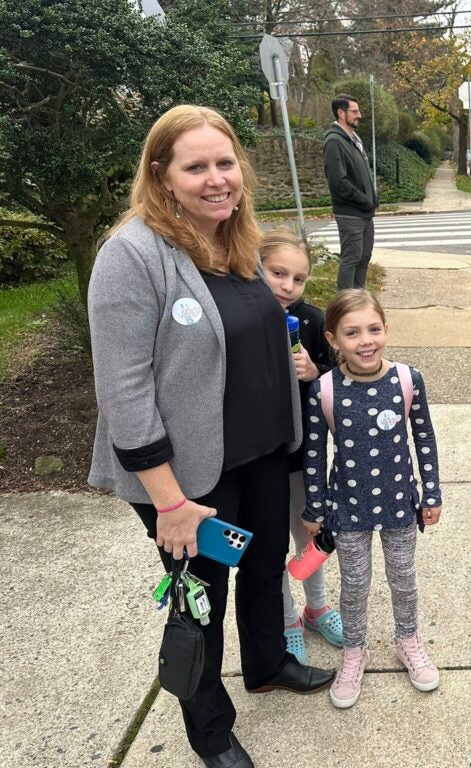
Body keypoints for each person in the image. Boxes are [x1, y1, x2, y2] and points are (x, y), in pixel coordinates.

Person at [88, 105, 334, 768]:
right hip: (188, 477)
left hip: (256, 454)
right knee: (203, 596)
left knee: (259, 568)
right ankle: (210, 731)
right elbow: (123, 392)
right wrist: (168, 502)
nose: (216, 179)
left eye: (224, 163)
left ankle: (267, 662)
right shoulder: (131, 256)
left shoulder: (236, 240)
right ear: (162, 175)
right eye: (196, 167)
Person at [302, 289, 443, 709]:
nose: (366, 341)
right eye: (352, 333)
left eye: (374, 329)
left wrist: (431, 491)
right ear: (333, 339)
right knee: (355, 584)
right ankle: (354, 650)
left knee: (404, 578)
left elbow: (424, 439)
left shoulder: (407, 380)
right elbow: (315, 454)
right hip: (347, 510)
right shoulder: (325, 390)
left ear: (386, 329)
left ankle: (407, 639)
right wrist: (315, 508)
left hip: (401, 504)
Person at [259, 228, 341, 664]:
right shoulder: (243, 315)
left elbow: (338, 379)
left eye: (298, 278)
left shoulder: (310, 321)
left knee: (308, 534)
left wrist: (316, 371)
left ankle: (317, 607)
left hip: (301, 457)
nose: (287, 286)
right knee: (269, 544)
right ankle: (286, 618)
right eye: (277, 273)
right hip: (255, 458)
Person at [324, 94, 378, 290]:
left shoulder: (353, 139)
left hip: (364, 213)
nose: (359, 115)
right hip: (350, 213)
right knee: (351, 259)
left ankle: (359, 300)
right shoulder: (334, 142)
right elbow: (339, 183)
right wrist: (365, 200)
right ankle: (345, 306)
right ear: (341, 113)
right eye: (355, 112)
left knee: (364, 258)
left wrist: (372, 200)